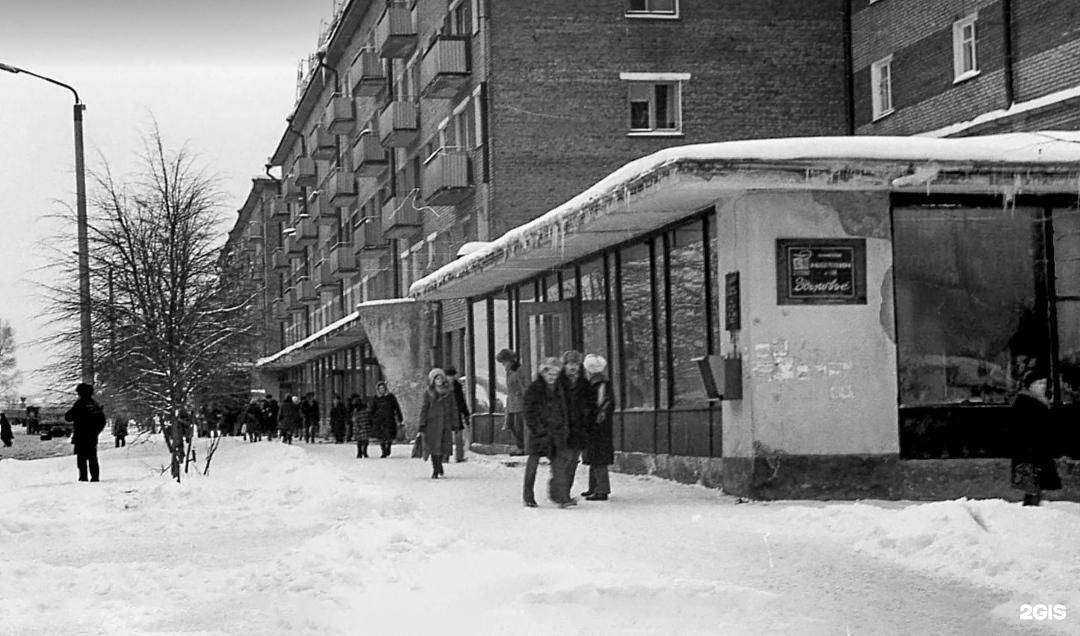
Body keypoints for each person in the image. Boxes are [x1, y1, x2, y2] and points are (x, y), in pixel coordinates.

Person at [522, 357, 573, 508]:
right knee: (533, 464)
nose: (552, 377)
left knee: (559, 466)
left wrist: (564, 427)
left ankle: (561, 497)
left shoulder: (560, 388)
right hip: (540, 433)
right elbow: (529, 412)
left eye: (555, 374)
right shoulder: (534, 389)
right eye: (550, 374)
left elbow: (563, 409)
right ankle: (528, 496)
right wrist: (538, 429)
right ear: (543, 373)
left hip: (557, 432)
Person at [1010, 373, 1062, 506]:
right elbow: (1022, 427)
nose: (1043, 386)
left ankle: (1033, 505)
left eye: (1044, 383)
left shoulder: (1040, 401)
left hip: (1039, 448)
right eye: (1039, 383)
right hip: (1030, 448)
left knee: (1036, 482)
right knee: (1032, 481)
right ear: (1030, 386)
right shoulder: (1024, 402)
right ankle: (1031, 508)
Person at [559, 350, 594, 506]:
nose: (572, 367)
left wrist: (586, 419)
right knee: (564, 461)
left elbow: (590, 404)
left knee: (573, 461)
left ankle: (564, 494)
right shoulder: (559, 383)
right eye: (569, 364)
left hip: (578, 428)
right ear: (564, 365)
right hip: (562, 427)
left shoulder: (584, 384)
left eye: (575, 364)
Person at [581, 354, 614, 501]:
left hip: (597, 426)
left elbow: (599, 405)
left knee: (598, 458)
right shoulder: (602, 383)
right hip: (600, 426)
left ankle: (601, 489)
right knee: (595, 457)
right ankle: (594, 487)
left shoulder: (598, 385)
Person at [64, 383, 107, 482]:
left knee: (81, 458)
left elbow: (68, 417)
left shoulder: (79, 404)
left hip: (80, 435)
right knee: (93, 457)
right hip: (92, 436)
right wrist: (96, 432)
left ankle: (83, 477)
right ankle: (95, 477)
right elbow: (102, 421)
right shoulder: (95, 404)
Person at [419, 368, 456, 478]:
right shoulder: (428, 392)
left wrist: (455, 423)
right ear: (433, 381)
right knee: (433, 447)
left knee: (442, 447)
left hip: (445, 423)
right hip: (432, 424)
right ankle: (435, 469)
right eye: (436, 379)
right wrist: (422, 423)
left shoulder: (449, 392)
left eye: (440, 378)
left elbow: (454, 408)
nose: (439, 380)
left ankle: (439, 465)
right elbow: (424, 408)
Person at [496, 349, 526, 454]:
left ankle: (522, 447)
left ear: (510, 361)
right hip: (512, 403)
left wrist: (522, 395)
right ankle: (520, 445)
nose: (503, 364)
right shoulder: (509, 372)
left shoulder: (518, 370)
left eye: (504, 362)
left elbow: (523, 385)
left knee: (519, 426)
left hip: (519, 402)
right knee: (511, 424)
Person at [371, 382, 403, 458]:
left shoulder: (390, 397)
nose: (382, 390)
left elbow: (396, 407)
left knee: (389, 435)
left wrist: (399, 417)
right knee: (381, 436)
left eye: (383, 388)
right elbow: (373, 409)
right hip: (379, 420)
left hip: (389, 419)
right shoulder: (376, 398)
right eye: (380, 388)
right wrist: (372, 418)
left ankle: (388, 447)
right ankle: (383, 451)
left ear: (385, 388)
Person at [445, 367, 470, 462]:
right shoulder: (442, 386)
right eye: (449, 376)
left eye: (452, 376)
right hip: (446, 414)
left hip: (456, 413)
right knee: (446, 437)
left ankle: (459, 456)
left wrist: (465, 413)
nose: (451, 378)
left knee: (458, 436)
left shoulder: (457, 386)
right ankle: (445, 456)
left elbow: (462, 401)